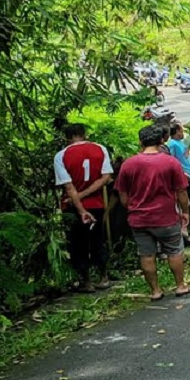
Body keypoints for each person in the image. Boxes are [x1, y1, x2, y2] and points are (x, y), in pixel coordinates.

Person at [115, 125, 190, 301]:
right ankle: (180, 285)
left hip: (139, 218)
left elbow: (122, 193)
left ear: (140, 141)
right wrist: (185, 211)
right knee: (174, 251)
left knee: (147, 255)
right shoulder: (170, 162)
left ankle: (155, 290)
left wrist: (131, 208)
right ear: (160, 141)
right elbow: (181, 191)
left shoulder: (129, 164)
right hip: (166, 217)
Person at [54, 123, 113, 292]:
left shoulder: (61, 155)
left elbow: (69, 187)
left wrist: (79, 205)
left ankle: (86, 281)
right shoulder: (100, 149)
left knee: (77, 242)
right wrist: (87, 194)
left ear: (67, 138)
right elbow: (105, 177)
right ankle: (103, 276)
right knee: (98, 239)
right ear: (84, 134)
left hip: (72, 207)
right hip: (97, 204)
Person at [167, 122, 190, 246]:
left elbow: (185, 157)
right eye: (181, 130)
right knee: (185, 203)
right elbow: (173, 161)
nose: (183, 133)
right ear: (176, 131)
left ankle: (188, 230)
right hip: (185, 177)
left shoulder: (181, 143)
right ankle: (184, 233)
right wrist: (183, 173)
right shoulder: (172, 145)